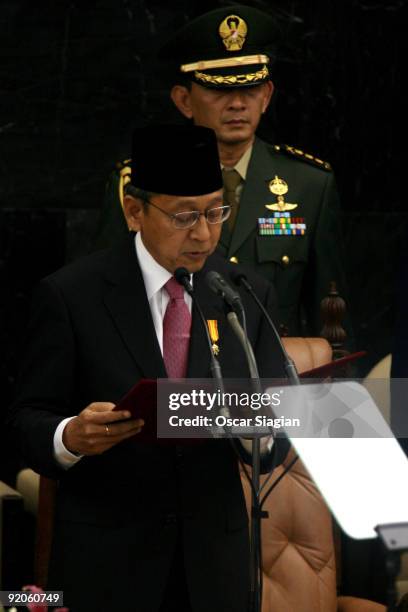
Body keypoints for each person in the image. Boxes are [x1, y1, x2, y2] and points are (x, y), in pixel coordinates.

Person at [7, 124, 289, 612]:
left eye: (216, 211)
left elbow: (273, 436)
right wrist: (71, 437)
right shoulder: (72, 295)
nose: (204, 234)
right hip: (108, 564)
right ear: (134, 211)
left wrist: (257, 430)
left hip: (213, 567)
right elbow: (25, 420)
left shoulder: (243, 295)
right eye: (184, 216)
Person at [95, 4, 352, 341]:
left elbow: (331, 316)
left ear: (267, 96)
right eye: (220, 91)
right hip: (176, 374)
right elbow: (105, 297)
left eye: (249, 89)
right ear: (184, 101)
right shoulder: (139, 183)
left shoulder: (310, 185)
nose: (237, 104)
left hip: (271, 376)